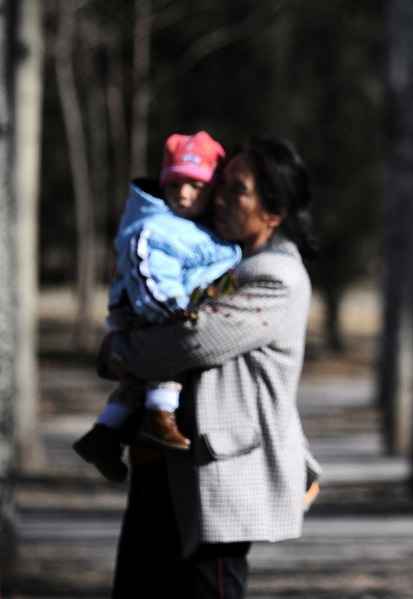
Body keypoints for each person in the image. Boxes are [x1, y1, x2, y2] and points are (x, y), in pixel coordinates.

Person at [97, 137, 321, 599]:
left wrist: (117, 349)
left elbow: (190, 340)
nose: (217, 197)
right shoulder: (219, 258)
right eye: (220, 184)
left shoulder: (275, 276)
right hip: (161, 461)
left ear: (272, 211)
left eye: (237, 190)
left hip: (217, 474)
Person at [74, 131, 240, 483]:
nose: (184, 194)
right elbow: (152, 275)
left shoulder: (193, 229)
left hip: (162, 310)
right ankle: (160, 419)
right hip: (153, 311)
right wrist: (172, 311)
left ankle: (104, 434)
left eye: (196, 186)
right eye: (176, 184)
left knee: (134, 382)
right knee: (166, 358)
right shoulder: (156, 228)